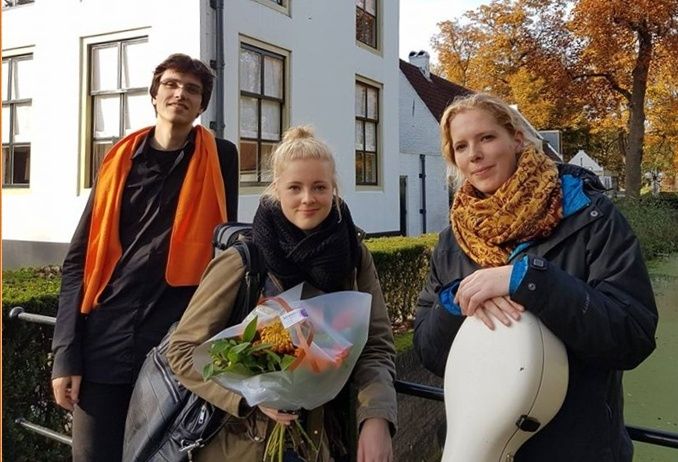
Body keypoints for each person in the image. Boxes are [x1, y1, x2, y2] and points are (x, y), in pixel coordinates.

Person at [413, 93, 658, 461]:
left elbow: (632, 334)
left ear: (516, 139)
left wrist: (530, 281)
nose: (474, 154)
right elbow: (430, 353)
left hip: (576, 450)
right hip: (480, 450)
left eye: (486, 138)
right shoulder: (453, 241)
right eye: (461, 146)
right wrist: (457, 300)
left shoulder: (590, 217)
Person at [166, 126, 397, 462]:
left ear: (334, 190)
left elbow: (375, 345)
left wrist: (376, 416)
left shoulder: (353, 256)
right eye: (295, 187)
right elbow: (183, 352)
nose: (308, 198)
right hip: (245, 444)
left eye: (320, 187)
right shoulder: (244, 261)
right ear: (276, 191)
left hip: (323, 442)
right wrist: (249, 395)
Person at [51, 53, 239, 462]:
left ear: (202, 105)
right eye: (171, 85)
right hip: (105, 340)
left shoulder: (221, 157)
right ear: (154, 96)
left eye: (192, 89)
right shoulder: (117, 161)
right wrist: (65, 353)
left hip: (173, 345)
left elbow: (228, 251)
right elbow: (78, 260)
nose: (180, 94)